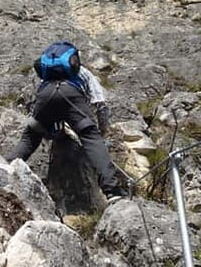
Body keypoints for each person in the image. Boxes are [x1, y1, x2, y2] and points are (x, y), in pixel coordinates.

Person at [7, 41, 128, 202]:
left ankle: (2, 170)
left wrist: (51, 131)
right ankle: (112, 190)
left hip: (46, 95)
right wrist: (101, 131)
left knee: (30, 138)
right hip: (71, 94)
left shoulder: (46, 75)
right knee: (91, 137)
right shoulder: (84, 73)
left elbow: (39, 100)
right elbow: (99, 103)